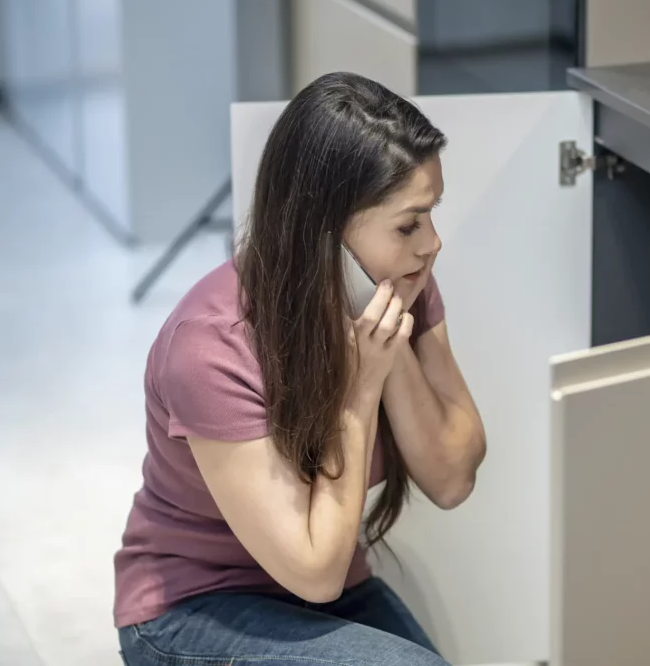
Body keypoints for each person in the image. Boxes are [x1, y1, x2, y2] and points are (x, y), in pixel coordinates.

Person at [113, 72, 486, 666]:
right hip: (194, 605)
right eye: (409, 224)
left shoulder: (399, 285)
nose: (433, 244)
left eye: (432, 214)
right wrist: (360, 391)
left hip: (325, 577)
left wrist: (388, 353)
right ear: (324, 232)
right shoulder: (211, 348)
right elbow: (313, 572)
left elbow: (452, 478)